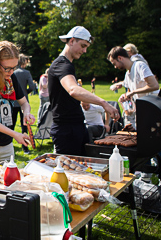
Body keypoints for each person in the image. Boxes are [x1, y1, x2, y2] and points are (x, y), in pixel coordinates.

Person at [48, 26, 120, 156]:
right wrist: (103, 103)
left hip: (76, 127)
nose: (85, 50)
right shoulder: (62, 65)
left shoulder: (68, 65)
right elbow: (73, 90)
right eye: (82, 45)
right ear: (71, 41)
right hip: (66, 130)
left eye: (86, 47)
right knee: (70, 174)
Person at [107, 46, 159, 129]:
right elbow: (131, 95)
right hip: (143, 109)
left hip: (155, 108)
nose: (115, 67)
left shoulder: (139, 65)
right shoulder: (127, 74)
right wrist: (125, 97)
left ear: (120, 58)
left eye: (114, 63)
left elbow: (154, 85)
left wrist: (133, 92)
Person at [11, 54, 34, 154]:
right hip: (23, 102)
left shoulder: (13, 73)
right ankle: (25, 148)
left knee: (11, 124)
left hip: (13, 101)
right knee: (24, 125)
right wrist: (26, 92)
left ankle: (9, 145)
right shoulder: (26, 73)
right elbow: (32, 86)